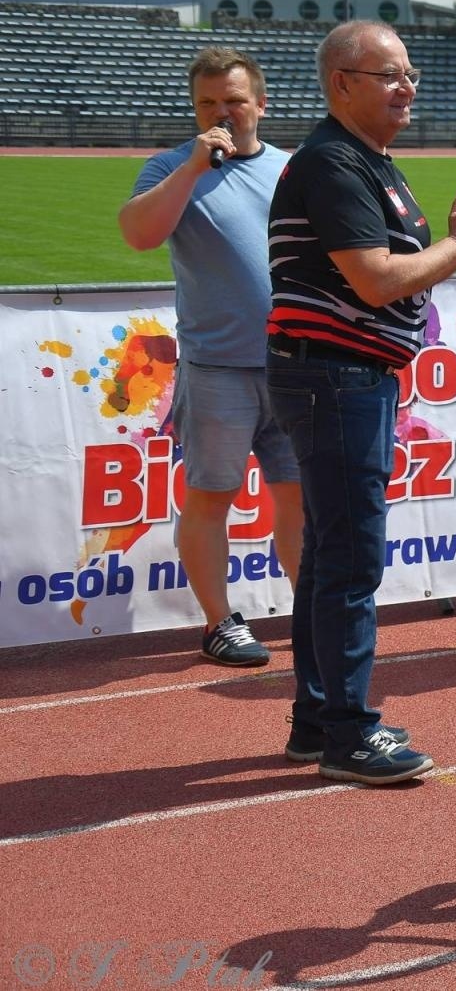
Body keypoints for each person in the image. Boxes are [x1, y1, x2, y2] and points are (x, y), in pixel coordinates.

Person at [266, 20, 456, 785]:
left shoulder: (365, 159)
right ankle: (349, 734)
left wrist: (451, 242)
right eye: (389, 75)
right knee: (350, 560)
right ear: (341, 83)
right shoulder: (334, 162)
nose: (406, 87)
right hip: (335, 378)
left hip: (344, 377)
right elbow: (378, 279)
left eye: (410, 73)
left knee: (330, 555)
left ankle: (319, 719)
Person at [117, 47, 298, 669]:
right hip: (218, 367)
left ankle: (312, 612)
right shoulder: (172, 167)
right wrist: (194, 168)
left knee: (299, 498)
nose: (221, 113)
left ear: (261, 104)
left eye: (234, 101)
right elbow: (138, 234)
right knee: (211, 496)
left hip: (294, 363)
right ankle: (220, 621)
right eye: (208, 103)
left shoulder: (293, 169)